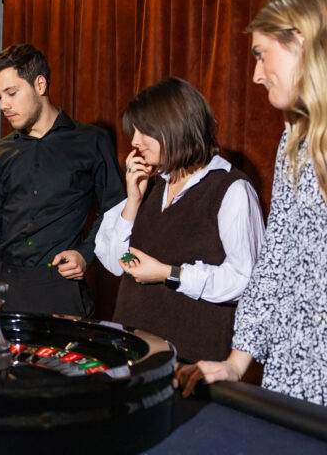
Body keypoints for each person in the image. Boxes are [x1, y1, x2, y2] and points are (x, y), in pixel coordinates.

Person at [178, 0, 327, 405]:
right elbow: (275, 262)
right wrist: (235, 362)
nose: (257, 75)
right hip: (291, 376)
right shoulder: (294, 140)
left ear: (299, 40)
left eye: (262, 54)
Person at [0, 44, 126, 316]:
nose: (4, 105)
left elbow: (114, 207)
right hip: (7, 291)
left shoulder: (91, 140)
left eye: (11, 93)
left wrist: (86, 253)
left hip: (61, 288)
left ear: (40, 84)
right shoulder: (2, 152)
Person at [94, 77, 265, 363]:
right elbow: (114, 262)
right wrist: (133, 201)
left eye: (145, 131)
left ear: (175, 126)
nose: (135, 141)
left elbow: (245, 280)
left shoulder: (231, 188)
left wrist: (170, 273)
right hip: (132, 352)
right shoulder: (150, 183)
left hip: (192, 361)